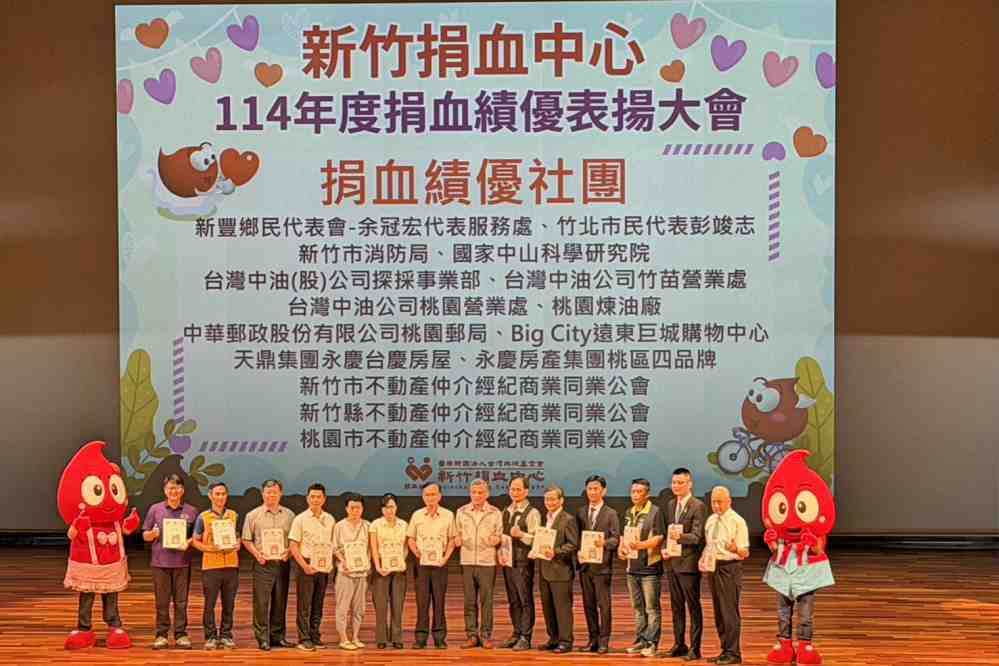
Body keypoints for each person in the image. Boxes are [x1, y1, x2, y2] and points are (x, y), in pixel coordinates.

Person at [60, 441, 141, 650]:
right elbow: (71, 534)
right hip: (88, 567)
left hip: (111, 567)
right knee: (86, 597)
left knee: (111, 597)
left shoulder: (114, 522)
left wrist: (130, 525)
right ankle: (84, 628)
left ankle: (114, 626)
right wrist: (77, 526)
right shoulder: (84, 518)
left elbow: (124, 530)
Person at [761, 450, 837, 665]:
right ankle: (784, 643)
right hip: (783, 573)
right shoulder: (782, 533)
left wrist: (811, 542)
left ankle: (805, 644)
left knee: (805, 613)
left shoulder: (815, 532)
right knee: (783, 612)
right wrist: (771, 542)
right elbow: (776, 551)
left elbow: (818, 550)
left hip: (806, 574)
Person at [142, 474, 199, 650]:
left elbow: (197, 536)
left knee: (181, 602)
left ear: (182, 490)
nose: (174, 491)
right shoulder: (155, 509)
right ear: (165, 490)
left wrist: (188, 542)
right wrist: (153, 534)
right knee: (162, 602)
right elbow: (145, 535)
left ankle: (181, 634)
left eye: (177, 487)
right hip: (160, 563)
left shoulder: (191, 511)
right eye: (170, 488)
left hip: (182, 563)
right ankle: (161, 635)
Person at [241, 479, 295, 651]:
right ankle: (262, 638)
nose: (271, 495)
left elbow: (294, 540)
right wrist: (257, 555)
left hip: (282, 563)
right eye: (268, 492)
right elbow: (246, 539)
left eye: (275, 492)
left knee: (280, 601)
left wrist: (289, 553)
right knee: (261, 602)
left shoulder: (289, 515)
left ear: (280, 493)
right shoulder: (253, 515)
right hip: (262, 564)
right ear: (262, 493)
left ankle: (278, 636)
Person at [662, 467, 708, 660]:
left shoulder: (698, 506)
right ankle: (679, 644)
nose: (676, 486)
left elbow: (697, 536)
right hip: (673, 563)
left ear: (689, 484)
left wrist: (679, 537)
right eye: (674, 482)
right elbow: (668, 532)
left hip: (689, 565)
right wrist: (665, 547)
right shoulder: (671, 504)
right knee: (676, 607)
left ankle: (695, 649)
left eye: (680, 482)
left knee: (693, 607)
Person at [618, 477, 665, 658]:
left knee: (651, 608)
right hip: (632, 568)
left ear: (647, 494)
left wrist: (641, 546)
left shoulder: (655, 512)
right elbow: (624, 536)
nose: (635, 495)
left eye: (639, 492)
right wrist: (622, 550)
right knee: (638, 608)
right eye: (633, 491)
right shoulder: (629, 512)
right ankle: (641, 640)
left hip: (649, 568)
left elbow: (659, 538)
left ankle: (652, 643)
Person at [407, 481, 457, 649]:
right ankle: (420, 637)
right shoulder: (417, 515)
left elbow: (452, 539)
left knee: (439, 600)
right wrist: (417, 553)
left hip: (440, 563)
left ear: (440, 496)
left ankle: (439, 637)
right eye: (427, 495)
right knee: (422, 601)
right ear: (423, 497)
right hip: (421, 564)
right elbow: (411, 538)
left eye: (433, 494)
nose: (430, 497)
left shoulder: (448, 515)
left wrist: (445, 558)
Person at [703, 486, 749, 665]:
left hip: (729, 568)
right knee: (719, 612)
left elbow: (745, 552)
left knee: (729, 611)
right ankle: (725, 650)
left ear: (729, 501)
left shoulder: (737, 521)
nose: (716, 505)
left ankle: (734, 653)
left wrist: (735, 548)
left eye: (720, 502)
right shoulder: (711, 520)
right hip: (713, 567)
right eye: (713, 502)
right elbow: (709, 545)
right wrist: (704, 559)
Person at [192, 482, 240, 650]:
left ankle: (226, 635)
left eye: (223, 494)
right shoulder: (203, 517)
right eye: (217, 494)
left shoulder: (233, 515)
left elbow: (238, 537)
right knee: (210, 604)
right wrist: (209, 548)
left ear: (227, 496)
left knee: (229, 603)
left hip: (231, 565)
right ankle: (211, 636)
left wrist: (238, 544)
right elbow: (195, 541)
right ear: (210, 496)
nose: (220, 497)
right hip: (211, 566)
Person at [455, 478, 503, 649]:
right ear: (470, 493)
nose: (477, 495)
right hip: (467, 561)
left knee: (486, 601)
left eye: (480, 492)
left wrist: (496, 539)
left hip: (487, 561)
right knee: (469, 601)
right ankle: (471, 635)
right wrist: (457, 539)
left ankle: (486, 635)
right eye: (474, 492)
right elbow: (456, 533)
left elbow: (500, 534)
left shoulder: (495, 512)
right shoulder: (461, 511)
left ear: (487, 493)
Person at [575, 474, 620, 654]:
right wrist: (578, 552)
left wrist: (604, 543)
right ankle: (592, 639)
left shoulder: (611, 513)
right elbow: (576, 538)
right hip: (585, 566)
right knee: (588, 605)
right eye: (590, 489)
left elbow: (615, 539)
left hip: (602, 567)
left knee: (604, 605)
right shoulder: (581, 512)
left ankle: (604, 641)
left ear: (604, 491)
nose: (592, 492)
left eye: (596, 489)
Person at [288, 483, 335, 652]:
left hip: (323, 566)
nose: (315, 500)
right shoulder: (300, 519)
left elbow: (332, 544)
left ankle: (315, 635)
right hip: (306, 564)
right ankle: (304, 638)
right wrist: (304, 566)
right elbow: (293, 545)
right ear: (307, 499)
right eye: (312, 497)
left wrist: (330, 563)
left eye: (319, 497)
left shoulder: (330, 519)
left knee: (318, 602)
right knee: (304, 604)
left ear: (324, 499)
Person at [535, 485, 578, 655]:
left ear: (561, 500)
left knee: (562, 608)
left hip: (561, 570)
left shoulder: (568, 519)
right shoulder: (545, 518)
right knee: (548, 608)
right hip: (545, 569)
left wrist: (556, 552)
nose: (549, 502)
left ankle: (566, 641)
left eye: (553, 499)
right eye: (546, 499)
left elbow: (573, 544)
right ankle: (553, 638)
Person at [499, 474, 541, 651]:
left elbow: (537, 539)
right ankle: (516, 633)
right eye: (512, 489)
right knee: (513, 600)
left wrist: (522, 535)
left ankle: (526, 636)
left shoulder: (532, 512)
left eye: (518, 489)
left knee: (525, 600)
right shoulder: (506, 511)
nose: (515, 492)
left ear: (526, 491)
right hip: (508, 560)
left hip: (523, 561)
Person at [333, 492, 371, 650]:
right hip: (345, 572)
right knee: (343, 607)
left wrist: (367, 563)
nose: (355, 510)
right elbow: (335, 548)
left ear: (362, 509)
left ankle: (355, 636)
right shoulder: (339, 526)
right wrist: (344, 562)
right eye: (352, 507)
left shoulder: (367, 526)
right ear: (346, 508)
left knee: (359, 608)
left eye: (358, 507)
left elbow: (370, 549)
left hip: (362, 573)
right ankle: (343, 639)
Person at [370, 493, 408, 649]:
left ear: (396, 507)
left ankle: (397, 637)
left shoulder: (404, 525)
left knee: (397, 605)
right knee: (380, 605)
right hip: (381, 569)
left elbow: (405, 548)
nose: (389, 510)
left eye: (391, 507)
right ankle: (381, 638)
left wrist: (400, 561)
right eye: (386, 507)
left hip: (399, 570)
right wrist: (378, 567)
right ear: (382, 509)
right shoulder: (376, 524)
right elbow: (373, 548)